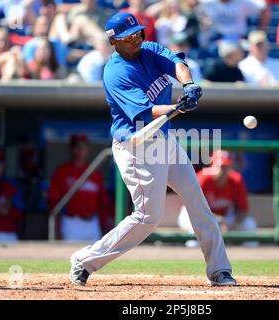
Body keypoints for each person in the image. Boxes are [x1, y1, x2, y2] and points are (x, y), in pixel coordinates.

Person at [69, 12, 236, 287]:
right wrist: (177, 108)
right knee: (148, 217)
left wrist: (190, 84)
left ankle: (220, 270)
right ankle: (84, 260)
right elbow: (145, 113)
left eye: (138, 34)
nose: (136, 40)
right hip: (137, 144)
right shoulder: (115, 73)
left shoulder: (149, 50)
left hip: (165, 140)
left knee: (197, 200)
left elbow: (177, 63)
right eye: (128, 37)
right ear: (115, 42)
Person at [177, 150, 257, 237]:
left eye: (226, 166)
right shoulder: (203, 179)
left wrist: (232, 223)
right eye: (220, 166)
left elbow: (243, 211)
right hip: (196, 215)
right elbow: (195, 209)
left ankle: (243, 250)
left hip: (224, 219)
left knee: (249, 225)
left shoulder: (236, 180)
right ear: (212, 165)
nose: (223, 170)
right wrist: (217, 221)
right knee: (196, 231)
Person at [48, 134, 112, 241]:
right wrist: (56, 229)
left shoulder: (95, 173)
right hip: (71, 222)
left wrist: (104, 226)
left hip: (92, 223)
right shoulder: (62, 172)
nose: (81, 151)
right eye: (78, 147)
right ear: (72, 149)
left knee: (95, 256)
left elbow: (103, 203)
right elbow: (53, 202)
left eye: (84, 147)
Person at [197, 0, 270, 44]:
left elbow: (264, 9)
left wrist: (261, 31)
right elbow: (190, 4)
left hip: (239, 41)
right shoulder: (207, 3)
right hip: (217, 41)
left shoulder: (243, 2)